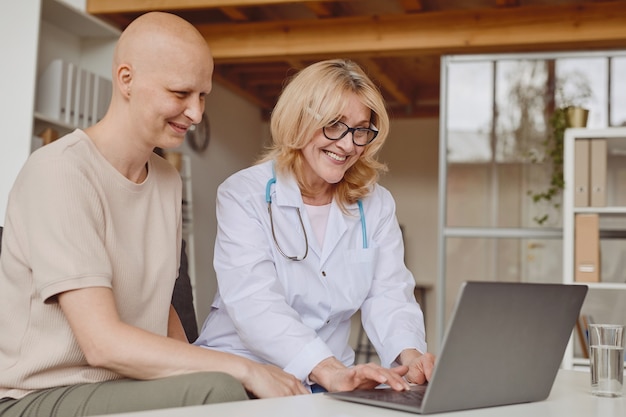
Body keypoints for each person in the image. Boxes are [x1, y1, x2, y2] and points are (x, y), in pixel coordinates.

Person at [0, 11, 307, 417]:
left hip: (126, 387)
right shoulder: (59, 171)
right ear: (126, 79)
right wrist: (243, 369)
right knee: (219, 388)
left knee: (231, 386)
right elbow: (101, 344)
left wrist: (239, 373)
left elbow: (161, 308)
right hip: (40, 396)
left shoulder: (166, 178)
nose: (196, 113)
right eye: (181, 93)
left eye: (203, 96)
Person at [194, 59, 436, 393]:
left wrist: (411, 358)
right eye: (335, 125)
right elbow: (255, 302)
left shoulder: (376, 203)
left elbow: (389, 294)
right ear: (300, 120)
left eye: (361, 130)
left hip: (334, 375)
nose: (349, 145)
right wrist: (327, 370)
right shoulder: (245, 194)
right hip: (245, 370)